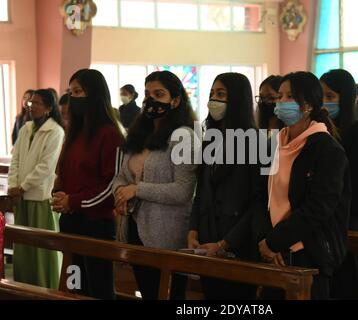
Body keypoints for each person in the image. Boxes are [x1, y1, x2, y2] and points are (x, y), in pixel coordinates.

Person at [257, 71, 351, 300]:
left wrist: (275, 241)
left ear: (307, 105)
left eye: (289, 97)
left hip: (309, 252)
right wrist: (268, 242)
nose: (280, 102)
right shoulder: (276, 144)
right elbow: (264, 196)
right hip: (274, 251)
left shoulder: (326, 149)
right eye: (279, 96)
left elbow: (319, 207)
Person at [112, 71, 199, 300]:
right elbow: (121, 177)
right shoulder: (139, 133)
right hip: (135, 228)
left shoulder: (184, 136)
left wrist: (137, 190)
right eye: (148, 94)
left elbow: (183, 191)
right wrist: (121, 193)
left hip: (168, 234)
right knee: (148, 294)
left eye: (159, 94)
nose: (151, 100)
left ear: (176, 100)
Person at [188, 73, 264, 300]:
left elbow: (258, 202)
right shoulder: (211, 138)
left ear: (238, 100)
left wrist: (225, 243)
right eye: (212, 94)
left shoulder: (256, 142)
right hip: (207, 237)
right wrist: (193, 230)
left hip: (238, 244)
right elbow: (200, 191)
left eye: (221, 94)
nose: (214, 100)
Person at [52, 69, 124, 299]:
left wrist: (72, 201)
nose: (72, 97)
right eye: (69, 92)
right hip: (71, 222)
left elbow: (111, 185)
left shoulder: (109, 134)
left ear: (93, 95)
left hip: (96, 225)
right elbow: (64, 171)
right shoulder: (74, 132)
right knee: (75, 285)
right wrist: (59, 193)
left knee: (98, 290)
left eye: (78, 91)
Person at [321, 69, 358, 299]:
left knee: (348, 282)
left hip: (348, 218)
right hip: (325, 217)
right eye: (321, 95)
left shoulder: (357, 133)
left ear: (346, 97)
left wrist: (349, 220)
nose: (324, 102)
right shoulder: (320, 130)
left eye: (330, 96)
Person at [7, 89, 65, 289]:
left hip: (40, 197)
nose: (31, 107)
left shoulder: (55, 131)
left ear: (49, 108)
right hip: (21, 197)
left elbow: (46, 166)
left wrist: (22, 187)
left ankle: (45, 287)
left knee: (42, 249)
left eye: (37, 103)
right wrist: (13, 186)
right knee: (23, 248)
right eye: (30, 103)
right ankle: (24, 287)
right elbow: (16, 159)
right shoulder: (26, 128)